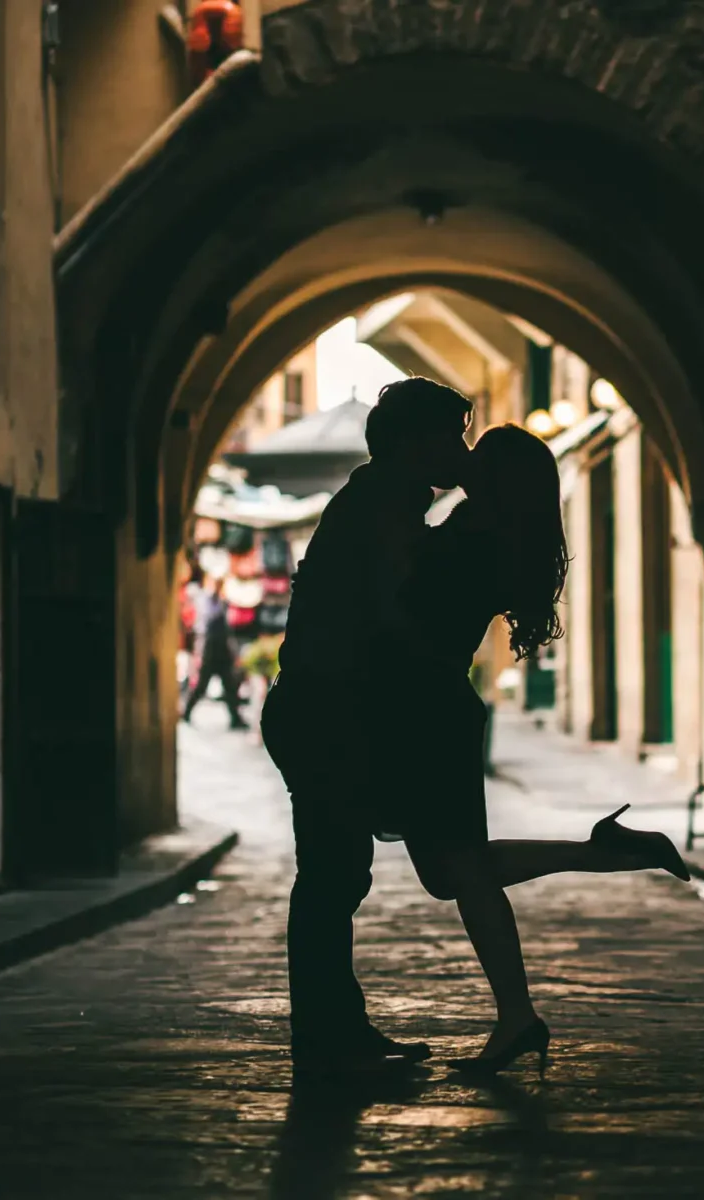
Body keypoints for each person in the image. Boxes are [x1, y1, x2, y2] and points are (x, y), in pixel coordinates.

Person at [382, 423, 690, 1080]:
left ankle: (518, 1014)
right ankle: (605, 854)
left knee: (457, 872)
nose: (465, 460)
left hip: (425, 713)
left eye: (479, 457)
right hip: (437, 708)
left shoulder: (470, 537)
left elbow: (403, 607)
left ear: (494, 478)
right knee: (452, 872)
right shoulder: (498, 538)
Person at [261, 377, 475, 1079]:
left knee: (334, 874)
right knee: (331, 875)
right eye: (456, 435)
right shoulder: (384, 505)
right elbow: (399, 612)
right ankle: (326, 1035)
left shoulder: (386, 500)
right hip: (326, 713)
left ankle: (334, 1028)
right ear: (419, 444)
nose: (463, 449)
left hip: (324, 710)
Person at [183, 571, 248, 730]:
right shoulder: (208, 600)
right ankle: (187, 711)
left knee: (230, 686)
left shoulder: (223, 601)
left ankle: (235, 718)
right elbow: (208, 620)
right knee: (202, 685)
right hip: (211, 649)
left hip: (221, 650)